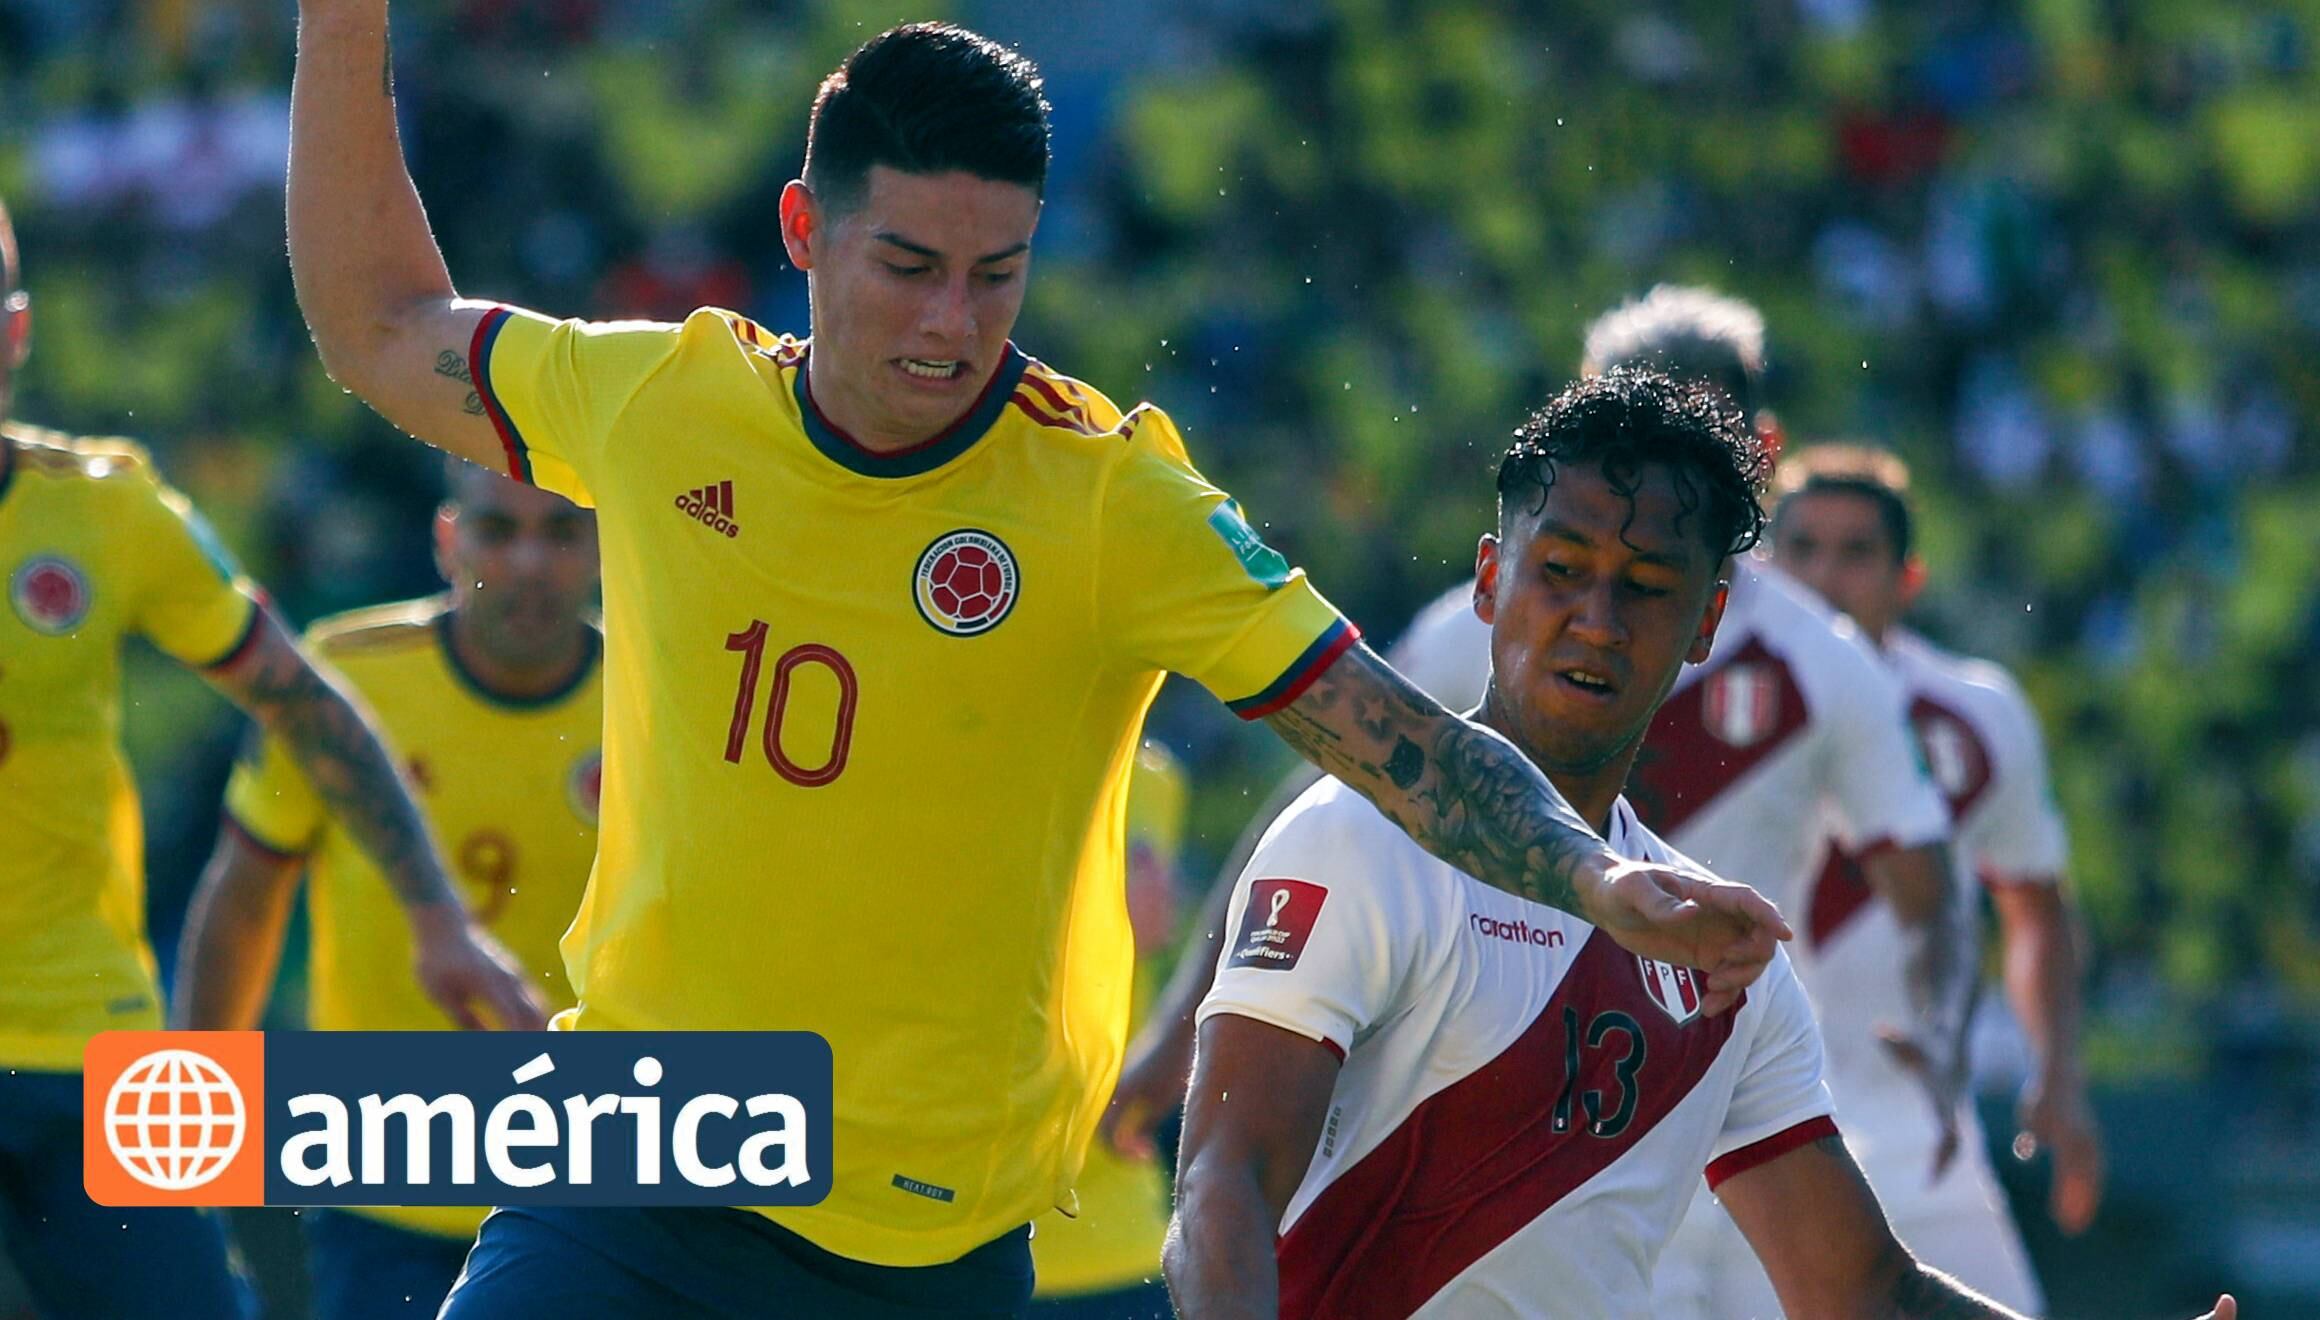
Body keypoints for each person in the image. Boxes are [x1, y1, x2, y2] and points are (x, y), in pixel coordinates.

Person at [286, 14, 1787, 1313]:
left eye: (997, 274)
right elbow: (377, 326)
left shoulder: (1107, 502)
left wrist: (1591, 882)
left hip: (933, 1233)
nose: (954, 324)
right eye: (910, 267)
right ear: (805, 233)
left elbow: (1391, 734)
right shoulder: (659, 401)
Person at [1162, 369, 2233, 1320]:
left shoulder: (1720, 953)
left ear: (1707, 623)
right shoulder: (1358, 840)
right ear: (1490, 580)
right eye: (1561, 571)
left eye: (1645, 588)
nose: (1595, 619)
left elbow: (1859, 1291)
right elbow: (1222, 1189)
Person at [1108, 290, 1970, 1260]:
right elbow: (1324, 790)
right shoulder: (1479, 627)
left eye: (1692, 437)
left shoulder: (1828, 666)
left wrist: (1939, 1027)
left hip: (1711, 1114)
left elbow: (1926, 883)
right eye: (1626, 420)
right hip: (1486, 1086)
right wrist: (1180, 1028)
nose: (1645, 467)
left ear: (1753, 459)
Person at [0, 198, 540, 1320]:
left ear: (16, 333)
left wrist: (434, 912)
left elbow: (304, 702)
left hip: (80, 1038)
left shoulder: (105, 510)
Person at [172, 460, 601, 1318]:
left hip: (592, 1181)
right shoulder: (343, 678)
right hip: (383, 1174)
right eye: (496, 530)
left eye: (559, 532)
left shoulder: (661, 698)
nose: (527, 562)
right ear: (446, 540)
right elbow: (247, 898)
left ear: (605, 546)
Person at [1765, 442, 2105, 1296]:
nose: (1824, 575)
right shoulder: (1702, 698)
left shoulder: (1977, 716)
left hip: (1919, 1127)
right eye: (1802, 548)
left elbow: (2036, 906)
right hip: (1746, 1124)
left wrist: (2058, 1072)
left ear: (1907, 578)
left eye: (1856, 552)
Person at [1028, 740, 1187, 1320]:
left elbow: (1155, 945)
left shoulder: (1157, 776)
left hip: (1122, 1231)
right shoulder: (951, 762)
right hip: (960, 1237)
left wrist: (1167, 1052)